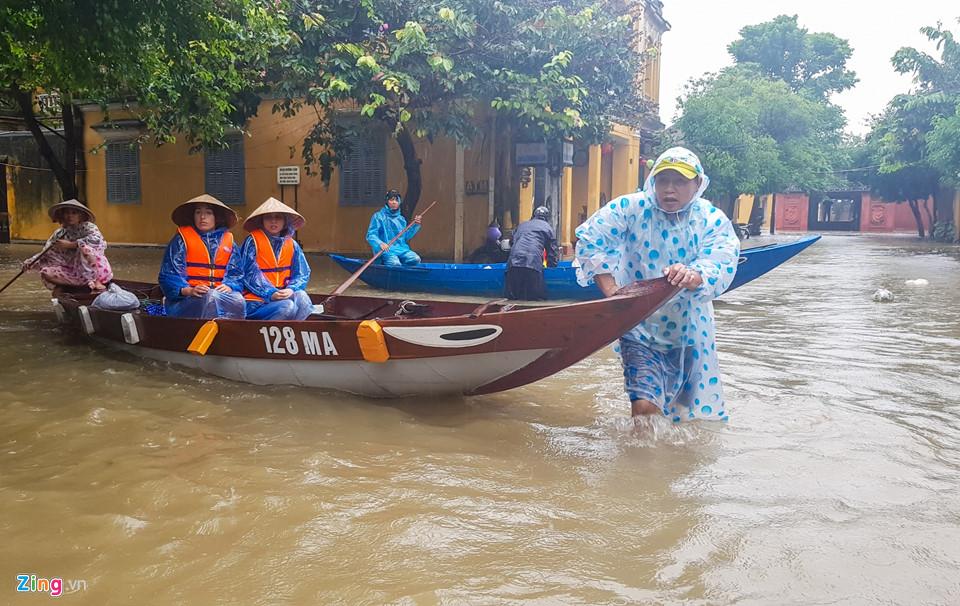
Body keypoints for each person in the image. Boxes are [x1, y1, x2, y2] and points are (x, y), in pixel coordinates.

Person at [574, 147, 740, 422]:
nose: (669, 189)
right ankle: (639, 464)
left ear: (697, 184)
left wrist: (693, 275)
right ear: (653, 181)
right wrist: (612, 291)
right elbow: (591, 239)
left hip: (689, 332)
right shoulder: (631, 209)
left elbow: (721, 259)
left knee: (682, 417)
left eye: (680, 181)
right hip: (639, 328)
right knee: (644, 409)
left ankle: (672, 464)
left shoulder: (711, 219)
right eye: (663, 180)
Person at [158, 194, 246, 319]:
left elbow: (236, 274)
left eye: (208, 213)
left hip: (218, 293)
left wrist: (230, 285)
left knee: (239, 300)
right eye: (198, 212)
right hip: (187, 298)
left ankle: (231, 333)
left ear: (217, 217)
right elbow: (168, 275)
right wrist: (188, 290)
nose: (202, 217)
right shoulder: (180, 240)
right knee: (210, 298)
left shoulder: (229, 242)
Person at [239, 197, 313, 321]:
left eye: (278, 217)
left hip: (283, 294)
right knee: (287, 307)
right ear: (262, 221)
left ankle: (296, 333)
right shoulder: (252, 241)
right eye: (268, 217)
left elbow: (302, 274)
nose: (273, 221)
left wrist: (291, 289)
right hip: (256, 300)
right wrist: (270, 293)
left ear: (285, 221)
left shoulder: (292, 244)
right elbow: (249, 274)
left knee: (303, 297)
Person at [23, 199, 113, 291]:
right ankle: (72, 286)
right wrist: (32, 261)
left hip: (94, 270)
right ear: (62, 216)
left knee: (85, 248)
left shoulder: (88, 227)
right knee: (45, 272)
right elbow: (46, 251)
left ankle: (95, 281)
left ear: (80, 216)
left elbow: (96, 240)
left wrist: (72, 244)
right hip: (72, 271)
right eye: (66, 213)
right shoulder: (59, 233)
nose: (70, 216)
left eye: (74, 213)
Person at [504, 206, 559, 300]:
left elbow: (511, 242)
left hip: (513, 263)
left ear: (533, 215)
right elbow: (552, 252)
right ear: (547, 218)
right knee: (536, 299)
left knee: (512, 298)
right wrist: (551, 269)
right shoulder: (548, 228)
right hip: (533, 264)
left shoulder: (522, 225)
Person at [366, 189, 422, 266]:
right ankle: (388, 266)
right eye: (391, 200)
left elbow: (405, 237)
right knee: (395, 263)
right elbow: (371, 235)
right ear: (387, 201)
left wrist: (415, 225)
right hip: (386, 250)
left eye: (396, 200)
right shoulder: (378, 216)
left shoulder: (401, 219)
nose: (394, 202)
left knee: (415, 259)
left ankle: (403, 272)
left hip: (401, 249)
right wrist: (380, 243)